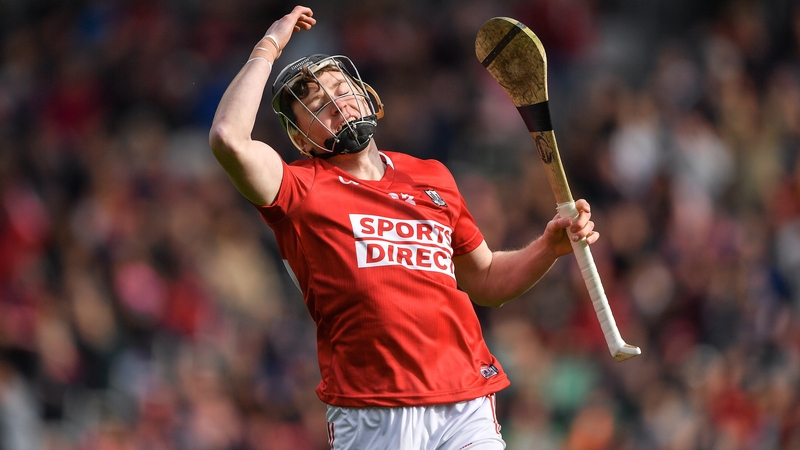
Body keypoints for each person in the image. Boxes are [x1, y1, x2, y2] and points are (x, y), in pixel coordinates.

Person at [209, 5, 599, 449]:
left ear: (365, 93)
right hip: (374, 411)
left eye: (342, 89)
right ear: (301, 139)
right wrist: (270, 45)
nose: (337, 103)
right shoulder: (299, 188)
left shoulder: (431, 176)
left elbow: (487, 280)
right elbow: (228, 138)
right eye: (319, 105)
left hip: (465, 399)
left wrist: (548, 246)